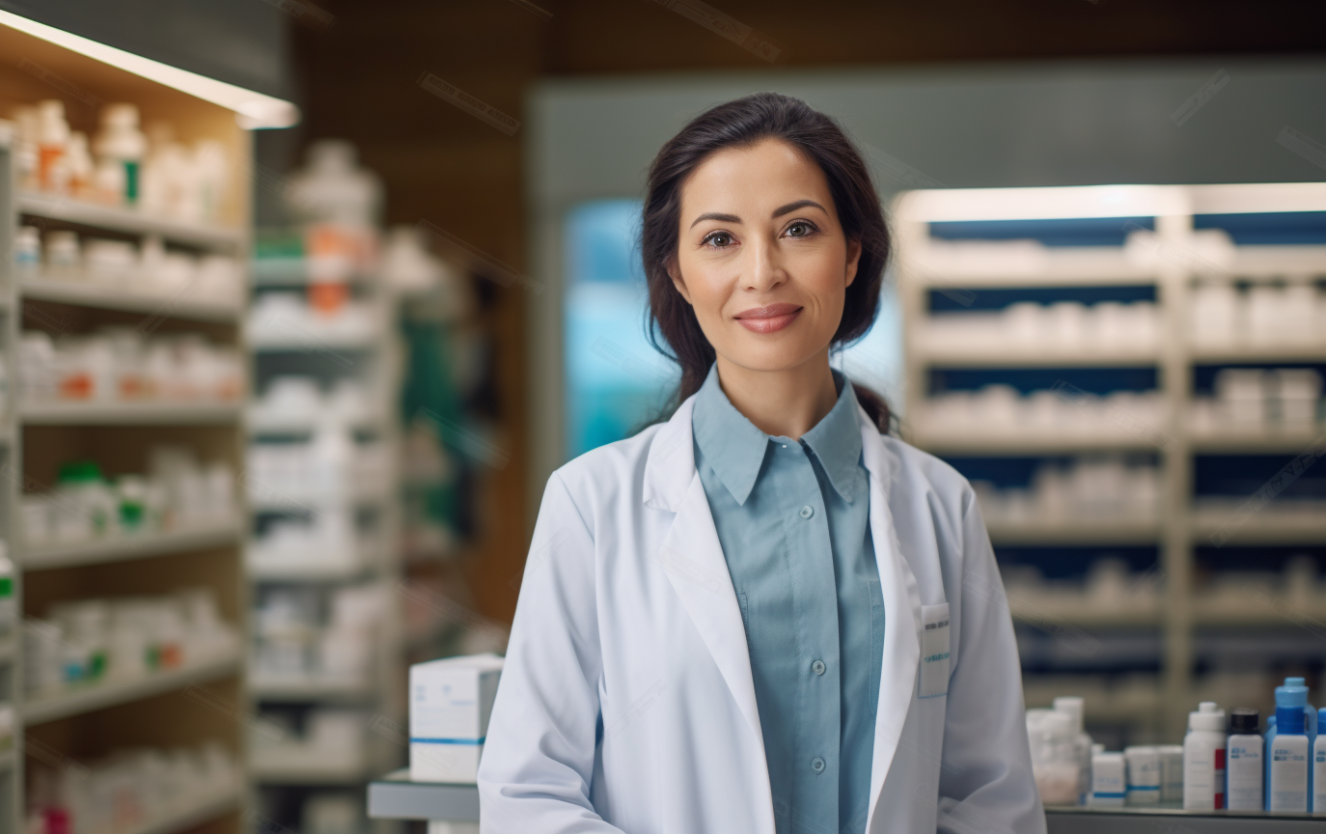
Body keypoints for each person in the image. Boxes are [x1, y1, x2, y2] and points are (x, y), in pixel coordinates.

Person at [478, 92, 1045, 834]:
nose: (762, 272)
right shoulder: (592, 504)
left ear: (852, 254)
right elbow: (528, 795)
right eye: (719, 240)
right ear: (677, 272)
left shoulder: (941, 505)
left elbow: (991, 796)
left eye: (799, 229)